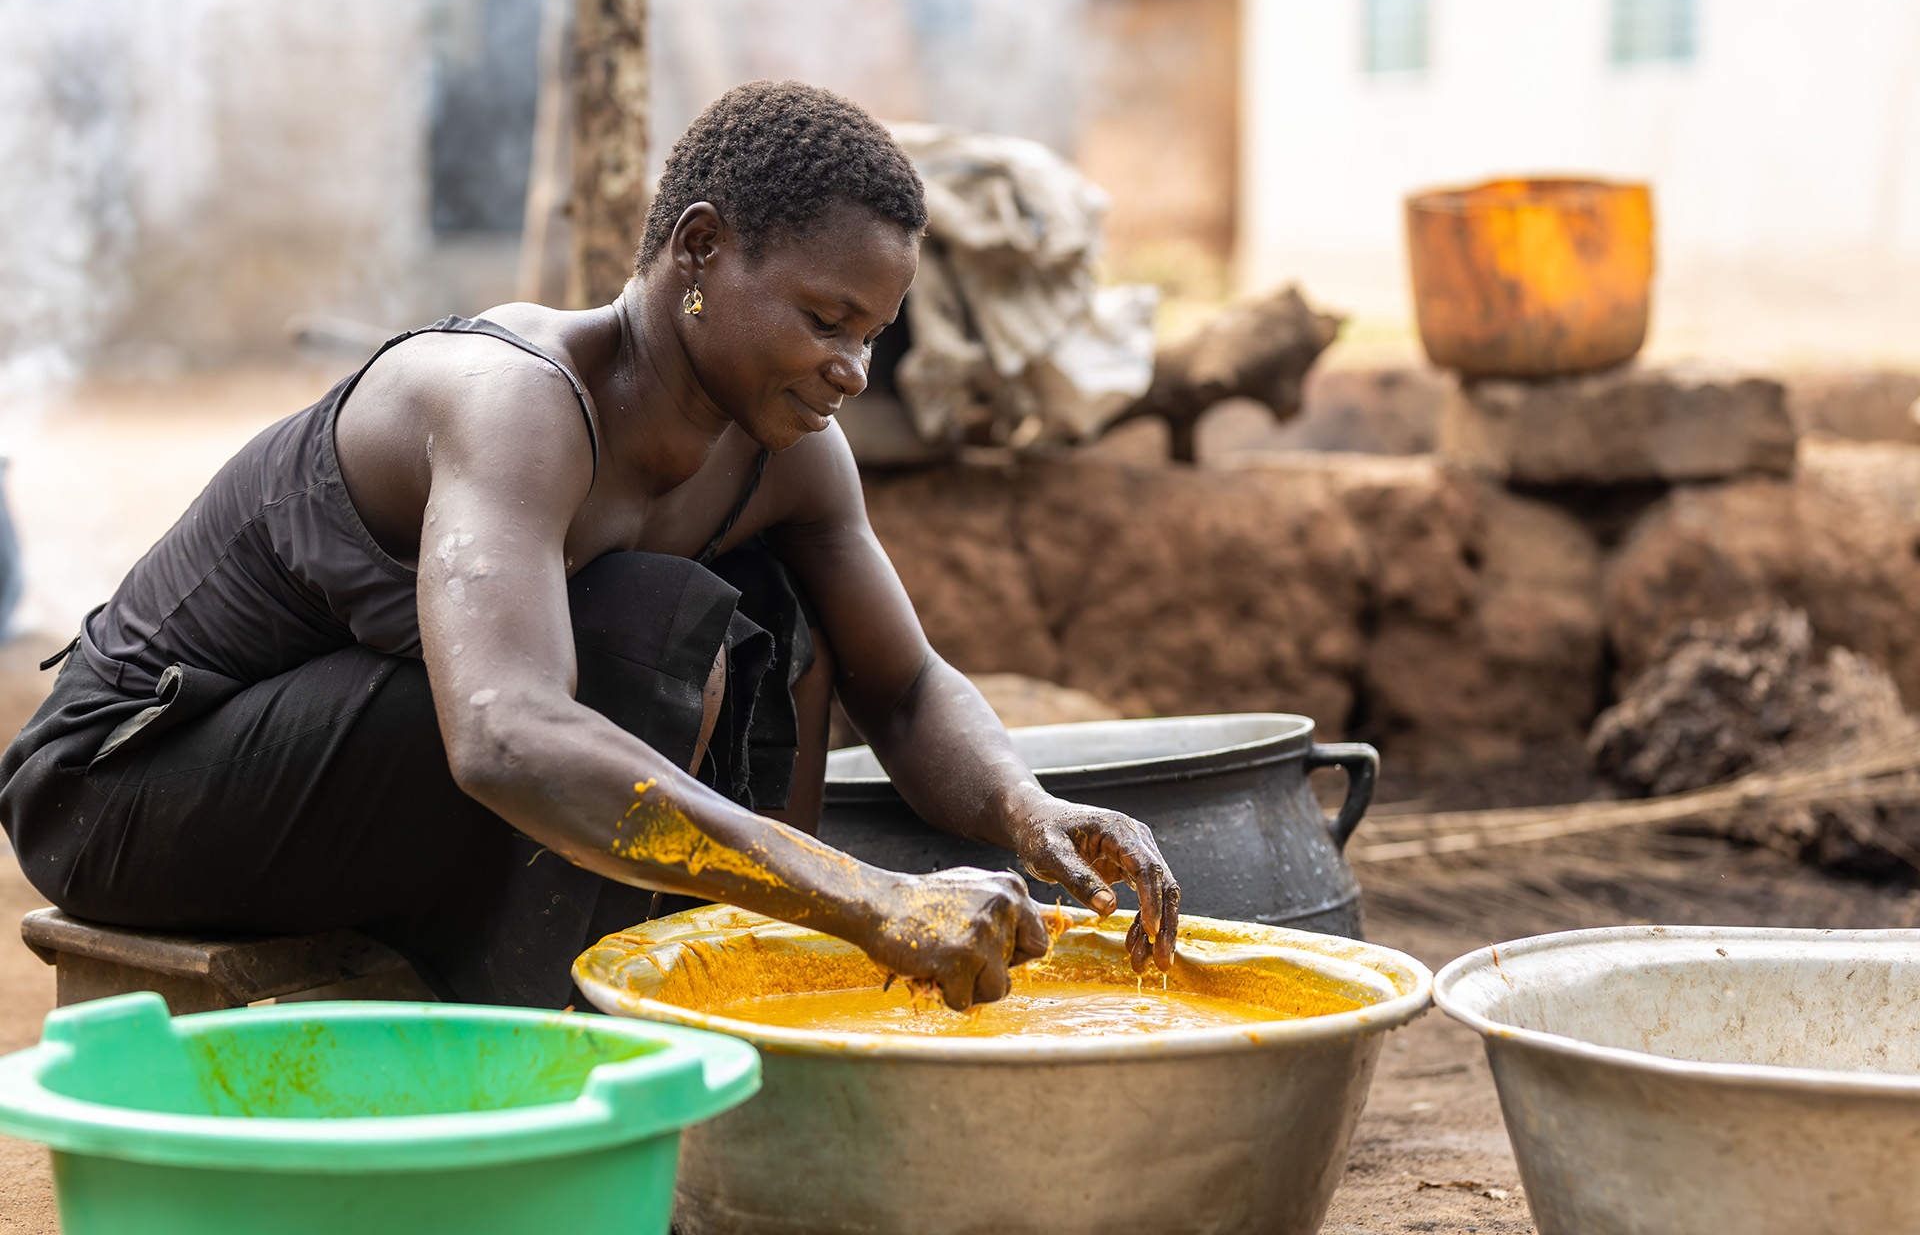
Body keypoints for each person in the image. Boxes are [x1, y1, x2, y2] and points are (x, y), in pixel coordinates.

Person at [0, 81, 1180, 1011]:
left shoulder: (792, 451)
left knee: (777, 614)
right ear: (702, 250)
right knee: (633, 648)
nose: (852, 370)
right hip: (124, 784)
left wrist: (1029, 809)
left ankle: (694, 986)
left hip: (342, 768)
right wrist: (865, 897)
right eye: (826, 321)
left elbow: (906, 684)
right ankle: (552, 1048)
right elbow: (507, 733)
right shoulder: (512, 401)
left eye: (872, 336)